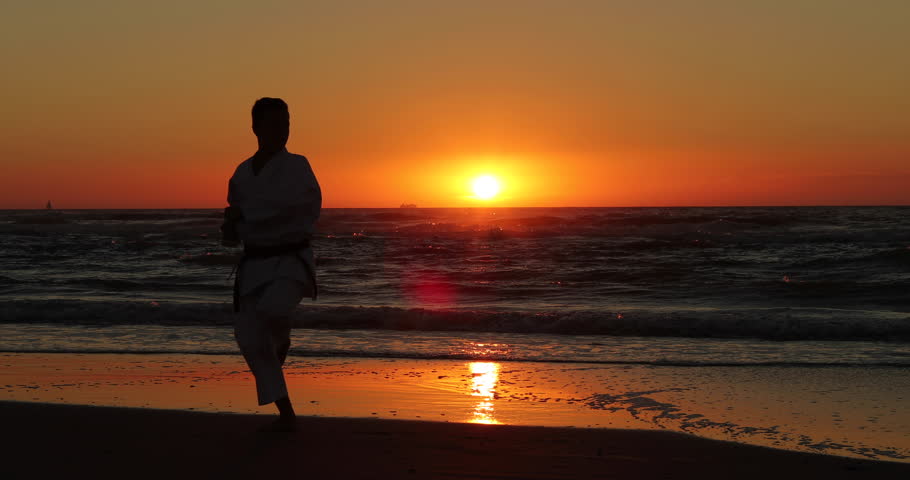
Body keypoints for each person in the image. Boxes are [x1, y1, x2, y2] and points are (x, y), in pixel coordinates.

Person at [221, 97, 321, 432]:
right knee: (248, 336)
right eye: (275, 123)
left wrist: (247, 215)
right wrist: (231, 226)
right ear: (256, 128)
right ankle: (286, 413)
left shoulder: (298, 166)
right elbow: (235, 219)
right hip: (255, 263)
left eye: (287, 123)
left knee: (273, 313)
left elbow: (298, 207)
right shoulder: (241, 173)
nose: (283, 130)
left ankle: (281, 341)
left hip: (291, 260)